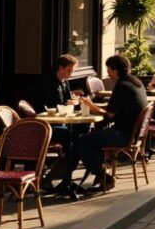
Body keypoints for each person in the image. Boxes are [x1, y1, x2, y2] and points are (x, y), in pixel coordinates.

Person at [57, 55, 147, 197]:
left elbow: (110, 115)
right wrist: (97, 108)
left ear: (115, 70)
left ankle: (102, 175)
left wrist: (91, 106)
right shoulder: (136, 82)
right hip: (135, 134)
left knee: (82, 141)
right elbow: (118, 108)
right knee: (89, 137)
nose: (108, 73)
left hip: (123, 135)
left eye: (109, 70)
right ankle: (91, 175)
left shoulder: (122, 86)